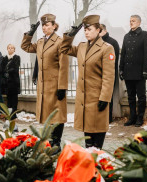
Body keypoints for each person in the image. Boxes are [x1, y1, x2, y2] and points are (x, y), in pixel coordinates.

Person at [60, 15, 115, 149]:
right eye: (85, 30)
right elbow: (64, 49)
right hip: (84, 98)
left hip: (97, 97)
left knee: (97, 133)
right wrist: (70, 36)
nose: (86, 32)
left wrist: (105, 97)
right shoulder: (82, 46)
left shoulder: (106, 48)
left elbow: (109, 76)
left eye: (89, 29)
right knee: (88, 135)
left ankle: (97, 161)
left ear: (98, 30)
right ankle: (89, 162)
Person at [21, 14, 69, 150]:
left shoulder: (60, 42)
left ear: (54, 26)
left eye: (47, 25)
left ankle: (56, 143)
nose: (44, 27)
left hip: (55, 85)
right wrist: (30, 33)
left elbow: (64, 66)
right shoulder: (41, 42)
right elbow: (25, 46)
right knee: (47, 114)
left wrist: (62, 87)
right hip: (44, 86)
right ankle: (50, 141)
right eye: (43, 25)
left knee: (57, 115)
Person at [119, 15, 147, 127]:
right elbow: (123, 54)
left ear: (139, 22)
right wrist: (121, 69)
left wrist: (145, 70)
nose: (131, 23)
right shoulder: (126, 36)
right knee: (131, 96)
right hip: (128, 72)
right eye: (130, 21)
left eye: (133, 21)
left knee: (141, 96)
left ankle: (140, 118)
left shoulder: (145, 35)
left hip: (139, 72)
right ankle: (132, 117)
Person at [99, 24, 120, 123]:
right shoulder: (96, 42)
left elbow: (114, 61)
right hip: (98, 75)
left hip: (109, 74)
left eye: (100, 31)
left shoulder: (112, 42)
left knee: (108, 96)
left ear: (104, 30)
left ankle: (108, 118)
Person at [3, 44, 20, 120]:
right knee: (8, 99)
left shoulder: (16, 57)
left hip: (14, 81)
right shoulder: (5, 58)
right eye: (9, 48)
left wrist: (8, 72)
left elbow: (15, 68)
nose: (10, 49)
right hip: (7, 82)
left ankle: (14, 114)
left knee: (14, 99)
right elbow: (1, 67)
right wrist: (4, 73)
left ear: (14, 49)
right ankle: (9, 113)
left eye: (12, 48)